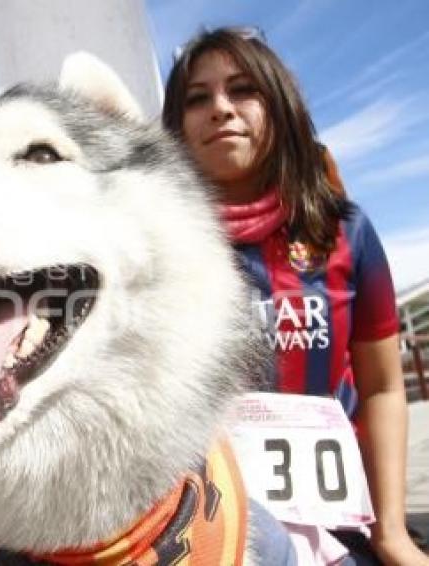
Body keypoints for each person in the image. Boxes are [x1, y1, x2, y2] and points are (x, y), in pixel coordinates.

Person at [163, 27, 427, 566]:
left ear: (279, 106)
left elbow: (380, 387)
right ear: (176, 128)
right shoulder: (155, 247)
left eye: (243, 90)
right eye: (197, 98)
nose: (220, 109)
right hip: (205, 532)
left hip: (340, 530)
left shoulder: (344, 232)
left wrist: (393, 533)